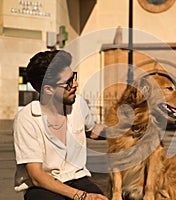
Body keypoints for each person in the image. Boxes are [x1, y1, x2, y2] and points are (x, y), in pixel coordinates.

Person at [13, 50, 108, 200]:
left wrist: (126, 130)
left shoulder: (78, 104)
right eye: (68, 82)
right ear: (48, 89)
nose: (75, 84)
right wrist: (83, 197)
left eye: (74, 77)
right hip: (43, 186)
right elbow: (37, 176)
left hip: (77, 178)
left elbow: (93, 130)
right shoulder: (27, 118)